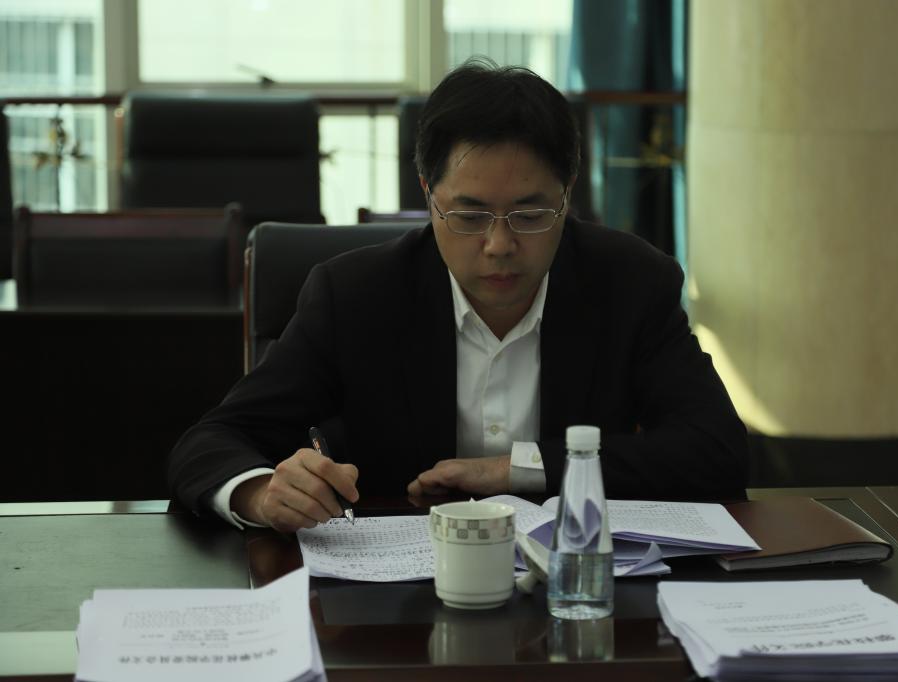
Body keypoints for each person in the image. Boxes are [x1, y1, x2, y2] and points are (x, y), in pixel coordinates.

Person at [167, 59, 748, 532]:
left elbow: (717, 451)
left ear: (568, 194)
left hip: (572, 591)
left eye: (530, 214)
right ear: (428, 194)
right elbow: (212, 441)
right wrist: (261, 493)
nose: (499, 245)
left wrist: (518, 469)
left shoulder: (630, 283)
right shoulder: (356, 296)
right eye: (469, 216)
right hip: (393, 604)